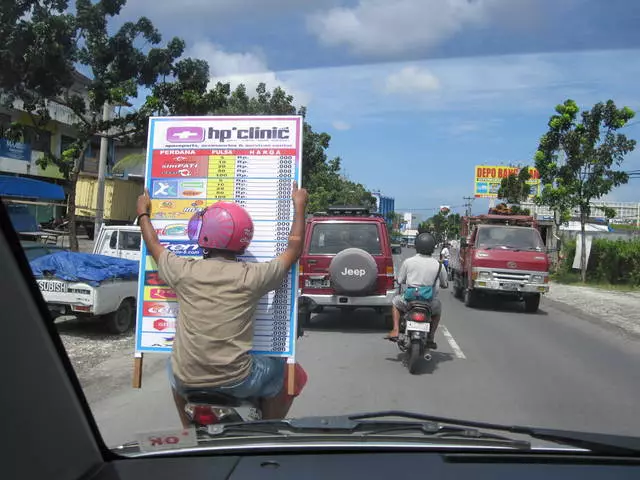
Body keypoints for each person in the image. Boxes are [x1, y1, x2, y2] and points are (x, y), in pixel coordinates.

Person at [136, 181, 309, 425]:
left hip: (186, 380)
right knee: (294, 374)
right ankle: (267, 431)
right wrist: (299, 206)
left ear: (203, 235)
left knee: (174, 366)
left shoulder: (183, 270)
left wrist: (143, 212)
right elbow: (294, 248)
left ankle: (187, 429)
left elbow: (153, 244)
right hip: (237, 380)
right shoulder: (252, 276)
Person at [386, 232, 448, 349]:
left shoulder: (408, 262)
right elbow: (445, 284)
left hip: (410, 300)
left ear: (417, 246)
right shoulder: (439, 265)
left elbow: (400, 280)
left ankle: (395, 330)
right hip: (429, 302)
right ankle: (431, 337)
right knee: (438, 309)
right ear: (432, 247)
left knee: (395, 302)